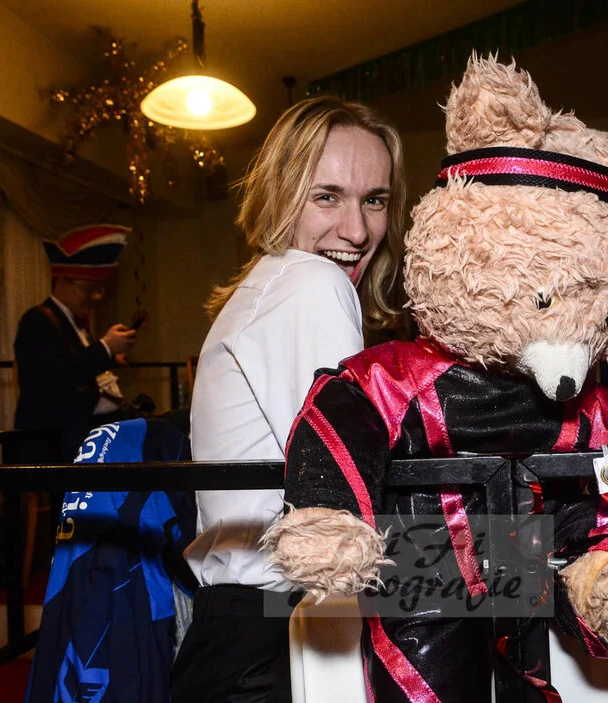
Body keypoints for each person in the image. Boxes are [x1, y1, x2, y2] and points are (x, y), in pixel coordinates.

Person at [171, 96, 406, 703]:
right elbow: (360, 501)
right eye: (326, 196)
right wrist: (526, 566)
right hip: (273, 638)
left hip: (241, 633)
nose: (357, 231)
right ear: (281, 193)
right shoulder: (311, 282)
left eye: (374, 201)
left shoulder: (268, 286)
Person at [13, 224, 138, 463]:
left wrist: (111, 357)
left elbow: (77, 365)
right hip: (52, 442)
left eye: (98, 289)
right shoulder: (36, 321)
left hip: (77, 434)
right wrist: (105, 348)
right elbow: (54, 375)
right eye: (88, 288)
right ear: (62, 282)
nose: (96, 297)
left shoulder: (74, 323)